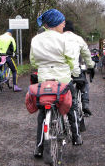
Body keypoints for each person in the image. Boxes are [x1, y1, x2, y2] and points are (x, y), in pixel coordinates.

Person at [30, 9, 83, 158]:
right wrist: (76, 73)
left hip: (44, 81)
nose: (64, 25)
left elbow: (34, 61)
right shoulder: (64, 39)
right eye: (63, 22)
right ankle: (76, 136)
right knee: (71, 106)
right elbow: (72, 60)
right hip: (63, 81)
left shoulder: (36, 39)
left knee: (42, 112)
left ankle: (39, 147)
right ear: (57, 23)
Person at [63, 20, 94, 116]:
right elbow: (86, 55)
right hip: (74, 71)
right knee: (84, 83)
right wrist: (91, 66)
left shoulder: (57, 38)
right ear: (72, 29)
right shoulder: (78, 39)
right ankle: (85, 104)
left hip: (59, 71)